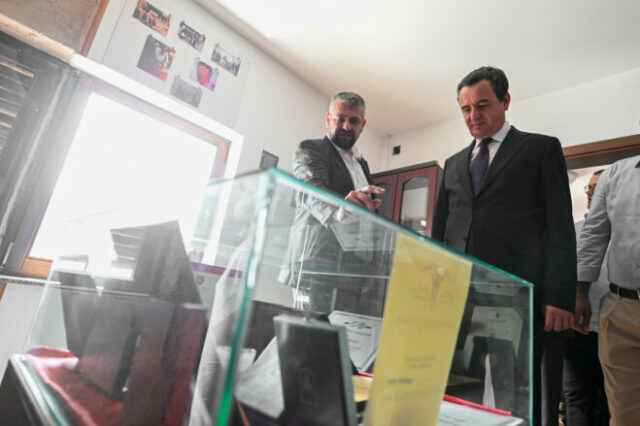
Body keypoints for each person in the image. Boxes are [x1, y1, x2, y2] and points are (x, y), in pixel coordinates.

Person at [432, 66, 576, 426]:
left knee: (517, 395)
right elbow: (440, 234)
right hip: (460, 299)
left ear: (505, 100)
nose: (473, 116)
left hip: (517, 302)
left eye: (482, 105)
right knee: (459, 392)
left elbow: (559, 228)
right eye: (466, 109)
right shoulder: (452, 164)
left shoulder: (540, 149)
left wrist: (559, 297)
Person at [283, 92, 385, 314]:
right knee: (312, 334)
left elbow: (368, 221)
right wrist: (341, 210)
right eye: (340, 119)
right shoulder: (311, 149)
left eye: (354, 121)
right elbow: (312, 190)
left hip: (353, 273)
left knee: (344, 334)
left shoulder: (362, 165)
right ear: (328, 119)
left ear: (362, 125)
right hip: (317, 267)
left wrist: (370, 268)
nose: (347, 126)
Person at [574, 155, 640, 426]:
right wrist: (580, 292)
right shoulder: (616, 173)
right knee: (623, 414)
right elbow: (593, 234)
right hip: (621, 310)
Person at [563, 169, 610, 426]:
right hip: (577, 329)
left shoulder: (628, 231)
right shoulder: (572, 231)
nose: (591, 192)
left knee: (610, 401)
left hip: (616, 328)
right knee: (576, 397)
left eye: (597, 187)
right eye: (589, 187)